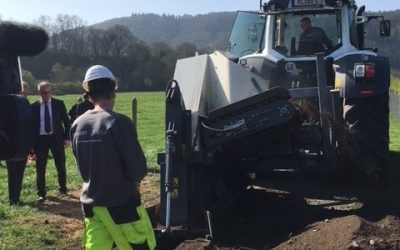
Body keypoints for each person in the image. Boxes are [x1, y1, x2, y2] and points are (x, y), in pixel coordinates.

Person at [70, 65, 156, 250]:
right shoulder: (120, 123)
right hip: (122, 206)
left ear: (89, 94)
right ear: (113, 92)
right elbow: (137, 169)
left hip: (92, 207)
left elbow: (81, 166)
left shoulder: (77, 124)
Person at [31, 81, 70, 202]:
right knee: (40, 168)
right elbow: (30, 126)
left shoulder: (59, 104)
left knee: (60, 165)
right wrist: (31, 145)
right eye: (44, 92)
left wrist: (67, 138)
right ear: (39, 92)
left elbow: (66, 122)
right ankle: (41, 193)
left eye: (48, 92)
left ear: (51, 91)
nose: (46, 95)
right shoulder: (33, 107)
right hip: (40, 140)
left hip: (56, 139)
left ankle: (63, 189)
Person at [6, 81, 30, 205]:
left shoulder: (27, 106)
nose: (24, 95)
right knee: (12, 172)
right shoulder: (9, 107)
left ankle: (17, 197)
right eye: (23, 92)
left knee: (20, 172)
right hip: (11, 146)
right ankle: (12, 199)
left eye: (26, 93)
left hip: (23, 146)